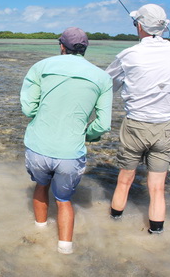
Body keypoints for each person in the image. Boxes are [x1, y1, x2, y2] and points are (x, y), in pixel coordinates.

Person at [20, 27, 113, 254]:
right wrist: (86, 135)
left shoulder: (41, 67)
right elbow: (103, 124)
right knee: (64, 200)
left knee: (41, 186)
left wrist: (41, 119)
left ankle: (39, 233)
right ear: (85, 49)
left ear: (61, 45)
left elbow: (28, 108)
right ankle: (65, 250)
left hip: (38, 146)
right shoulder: (102, 77)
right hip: (71, 151)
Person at [106, 4, 170, 234]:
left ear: (140, 26)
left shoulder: (129, 55)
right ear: (164, 26)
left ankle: (113, 224)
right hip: (166, 127)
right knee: (157, 188)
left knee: (124, 180)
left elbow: (108, 84)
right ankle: (156, 234)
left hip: (135, 125)